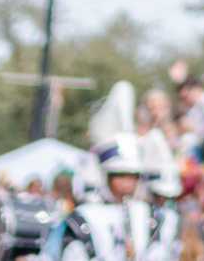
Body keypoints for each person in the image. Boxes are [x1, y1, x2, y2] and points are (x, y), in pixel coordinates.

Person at [61, 83, 179, 260]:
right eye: (120, 175)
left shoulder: (150, 216)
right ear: (106, 176)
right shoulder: (86, 216)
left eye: (133, 176)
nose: (127, 181)